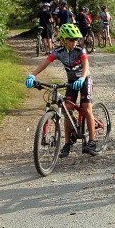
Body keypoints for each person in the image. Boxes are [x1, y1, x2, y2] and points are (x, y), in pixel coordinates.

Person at [24, 23, 99, 157]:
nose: (75, 42)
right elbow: (45, 63)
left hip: (84, 79)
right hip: (71, 82)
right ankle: (67, 143)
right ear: (64, 40)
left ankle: (92, 141)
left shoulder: (80, 50)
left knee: (87, 108)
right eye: (71, 39)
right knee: (66, 109)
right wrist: (32, 75)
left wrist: (82, 78)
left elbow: (86, 64)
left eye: (76, 39)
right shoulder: (58, 52)